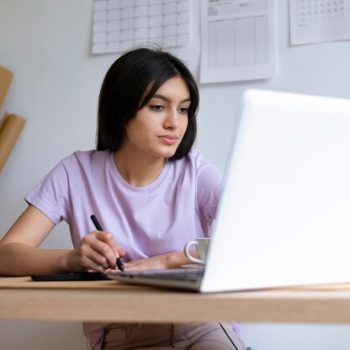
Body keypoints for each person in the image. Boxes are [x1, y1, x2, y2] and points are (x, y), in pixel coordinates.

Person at [0, 47, 245, 350]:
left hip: (200, 320)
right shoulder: (75, 172)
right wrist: (71, 259)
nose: (174, 122)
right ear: (122, 109)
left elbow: (254, 232)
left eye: (183, 109)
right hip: (122, 330)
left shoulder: (195, 171)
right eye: (158, 107)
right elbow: (7, 254)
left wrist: (169, 260)